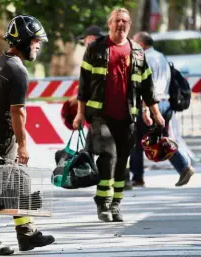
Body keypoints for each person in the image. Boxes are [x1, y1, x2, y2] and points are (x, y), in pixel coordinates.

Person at [73, 8, 165, 223]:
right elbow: (83, 84)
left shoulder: (137, 52)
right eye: (117, 21)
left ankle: (116, 204)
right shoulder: (96, 48)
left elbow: (147, 86)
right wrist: (79, 113)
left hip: (127, 116)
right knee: (108, 155)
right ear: (109, 24)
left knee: (123, 161)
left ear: (129, 25)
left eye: (124, 21)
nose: (120, 24)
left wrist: (154, 113)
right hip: (100, 115)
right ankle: (102, 202)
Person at [0, 15, 55, 256]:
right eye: (36, 41)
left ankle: (27, 233)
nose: (38, 45)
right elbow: (17, 111)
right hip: (5, 136)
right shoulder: (17, 70)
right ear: (24, 41)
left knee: (14, 182)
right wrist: (22, 145)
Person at [129, 31, 195, 187]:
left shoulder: (144, 59)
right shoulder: (161, 57)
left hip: (152, 105)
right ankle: (183, 167)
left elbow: (147, 86)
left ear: (142, 45)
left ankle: (138, 177)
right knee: (158, 139)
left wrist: (145, 108)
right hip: (165, 103)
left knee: (139, 140)